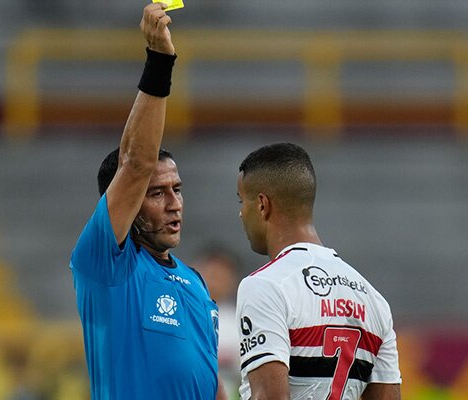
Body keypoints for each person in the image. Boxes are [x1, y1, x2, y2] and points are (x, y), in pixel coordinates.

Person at [69, 4, 225, 399]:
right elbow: (136, 164)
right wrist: (160, 62)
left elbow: (209, 381)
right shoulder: (105, 263)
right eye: (157, 193)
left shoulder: (194, 282)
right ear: (124, 204)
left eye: (177, 189)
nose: (175, 203)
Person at [235, 143, 402, 400]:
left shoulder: (264, 285)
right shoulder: (373, 298)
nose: (240, 213)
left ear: (262, 205)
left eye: (241, 201)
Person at [193, 245, 242, 398]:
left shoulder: (238, 321)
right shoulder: (185, 316)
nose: (215, 281)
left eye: (222, 276)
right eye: (212, 274)